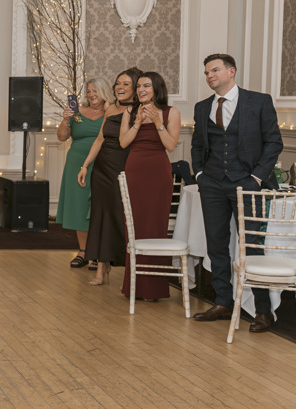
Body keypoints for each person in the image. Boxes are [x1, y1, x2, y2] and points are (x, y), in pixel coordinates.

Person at [191, 53, 282, 332]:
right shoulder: (202, 106)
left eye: (215, 70)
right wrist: (200, 174)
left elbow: (274, 143)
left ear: (232, 71)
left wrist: (256, 177)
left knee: (252, 246)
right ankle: (222, 301)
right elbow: (196, 144)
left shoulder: (259, 101)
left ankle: (263, 312)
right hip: (213, 184)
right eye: (206, 72)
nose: (209, 76)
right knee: (217, 244)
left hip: (248, 183)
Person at [117, 71, 181, 300]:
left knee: (156, 225)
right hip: (135, 171)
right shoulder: (128, 111)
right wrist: (136, 122)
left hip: (158, 173)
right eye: (140, 86)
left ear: (157, 89)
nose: (141, 90)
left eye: (147, 86)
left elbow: (171, 146)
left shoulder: (171, 113)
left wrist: (156, 122)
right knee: (133, 226)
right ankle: (134, 285)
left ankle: (154, 288)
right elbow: (124, 142)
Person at [78, 68, 142, 284]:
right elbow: (99, 139)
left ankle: (125, 268)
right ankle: (100, 267)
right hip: (103, 168)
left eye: (125, 84)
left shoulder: (141, 110)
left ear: (135, 87)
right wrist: (85, 165)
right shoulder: (110, 107)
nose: (120, 87)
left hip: (125, 167)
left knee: (118, 216)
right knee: (100, 216)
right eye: (118, 83)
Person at [56, 78, 111, 268]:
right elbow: (62, 137)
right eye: (88, 91)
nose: (91, 95)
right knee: (80, 205)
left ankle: (98, 252)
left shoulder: (112, 112)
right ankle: (83, 251)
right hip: (76, 163)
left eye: (95, 91)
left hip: (103, 163)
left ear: (104, 91)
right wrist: (65, 120)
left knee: (97, 205)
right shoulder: (77, 113)